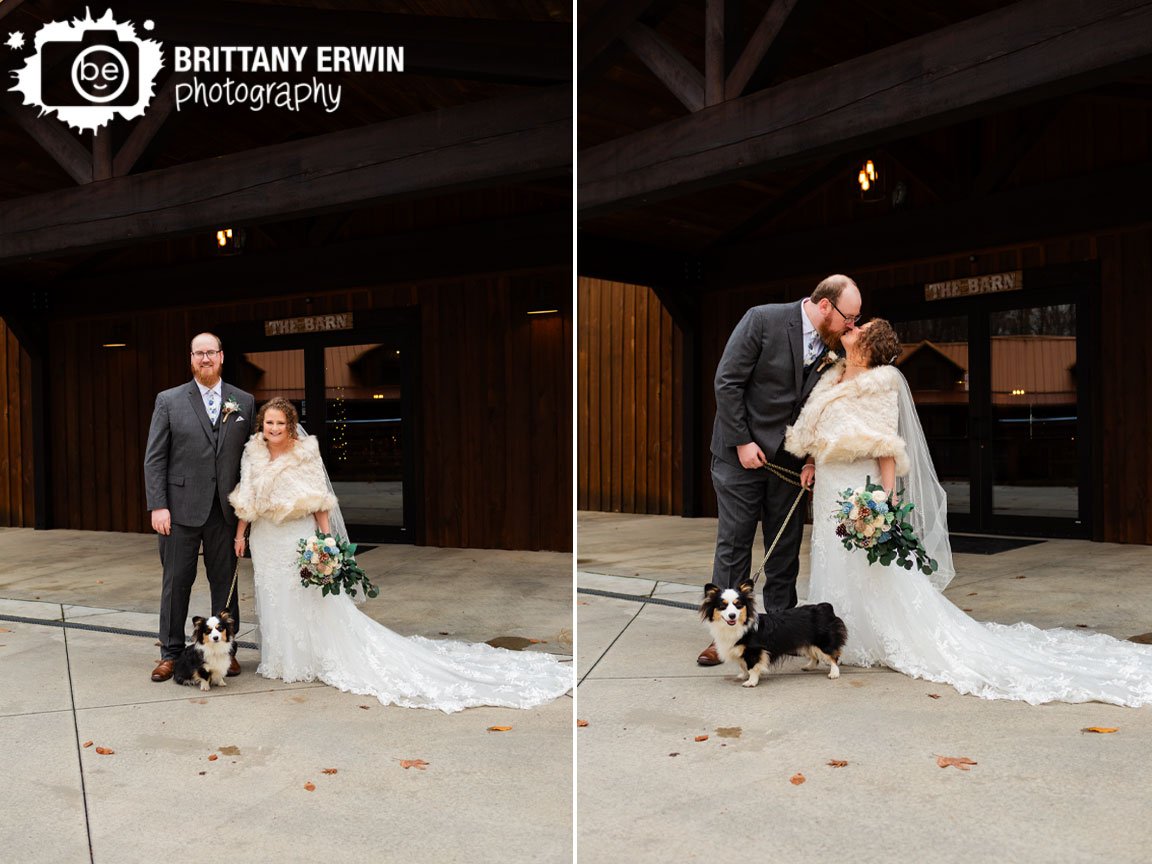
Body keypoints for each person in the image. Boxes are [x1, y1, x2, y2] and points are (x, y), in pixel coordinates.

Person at [784, 319, 1152, 706]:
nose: (852, 328)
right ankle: (837, 633)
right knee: (833, 556)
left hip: (860, 485)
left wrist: (886, 498)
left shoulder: (882, 383)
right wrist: (810, 462)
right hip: (827, 485)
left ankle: (871, 635)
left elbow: (885, 445)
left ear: (868, 345)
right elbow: (822, 430)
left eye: (862, 328)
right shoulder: (832, 377)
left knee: (867, 564)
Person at [228, 397, 573, 713]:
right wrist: (241, 535)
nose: (273, 429)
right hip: (266, 539)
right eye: (268, 423)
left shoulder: (304, 453)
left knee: (306, 599)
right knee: (274, 598)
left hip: (297, 537)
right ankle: (281, 661)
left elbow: (320, 501)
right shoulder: (253, 453)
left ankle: (310, 660)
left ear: (290, 425)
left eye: (280, 424)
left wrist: (327, 541)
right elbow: (247, 498)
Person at [699, 274, 862, 666]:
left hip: (788, 464)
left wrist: (810, 458)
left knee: (784, 550)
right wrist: (741, 441)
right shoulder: (761, 320)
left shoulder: (834, 346)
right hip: (739, 454)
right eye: (849, 317)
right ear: (825, 306)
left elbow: (822, 406)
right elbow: (727, 382)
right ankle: (726, 637)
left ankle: (781, 632)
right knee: (735, 543)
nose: (852, 326)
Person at [144, 333, 256, 682]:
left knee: (225, 586)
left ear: (221, 356)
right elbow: (155, 458)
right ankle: (171, 652)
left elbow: (251, 460)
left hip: (224, 510)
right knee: (176, 582)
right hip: (178, 510)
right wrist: (158, 505)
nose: (205, 358)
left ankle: (226, 653)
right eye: (198, 353)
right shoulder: (169, 400)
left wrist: (247, 507)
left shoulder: (244, 401)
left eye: (210, 352)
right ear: (191, 358)